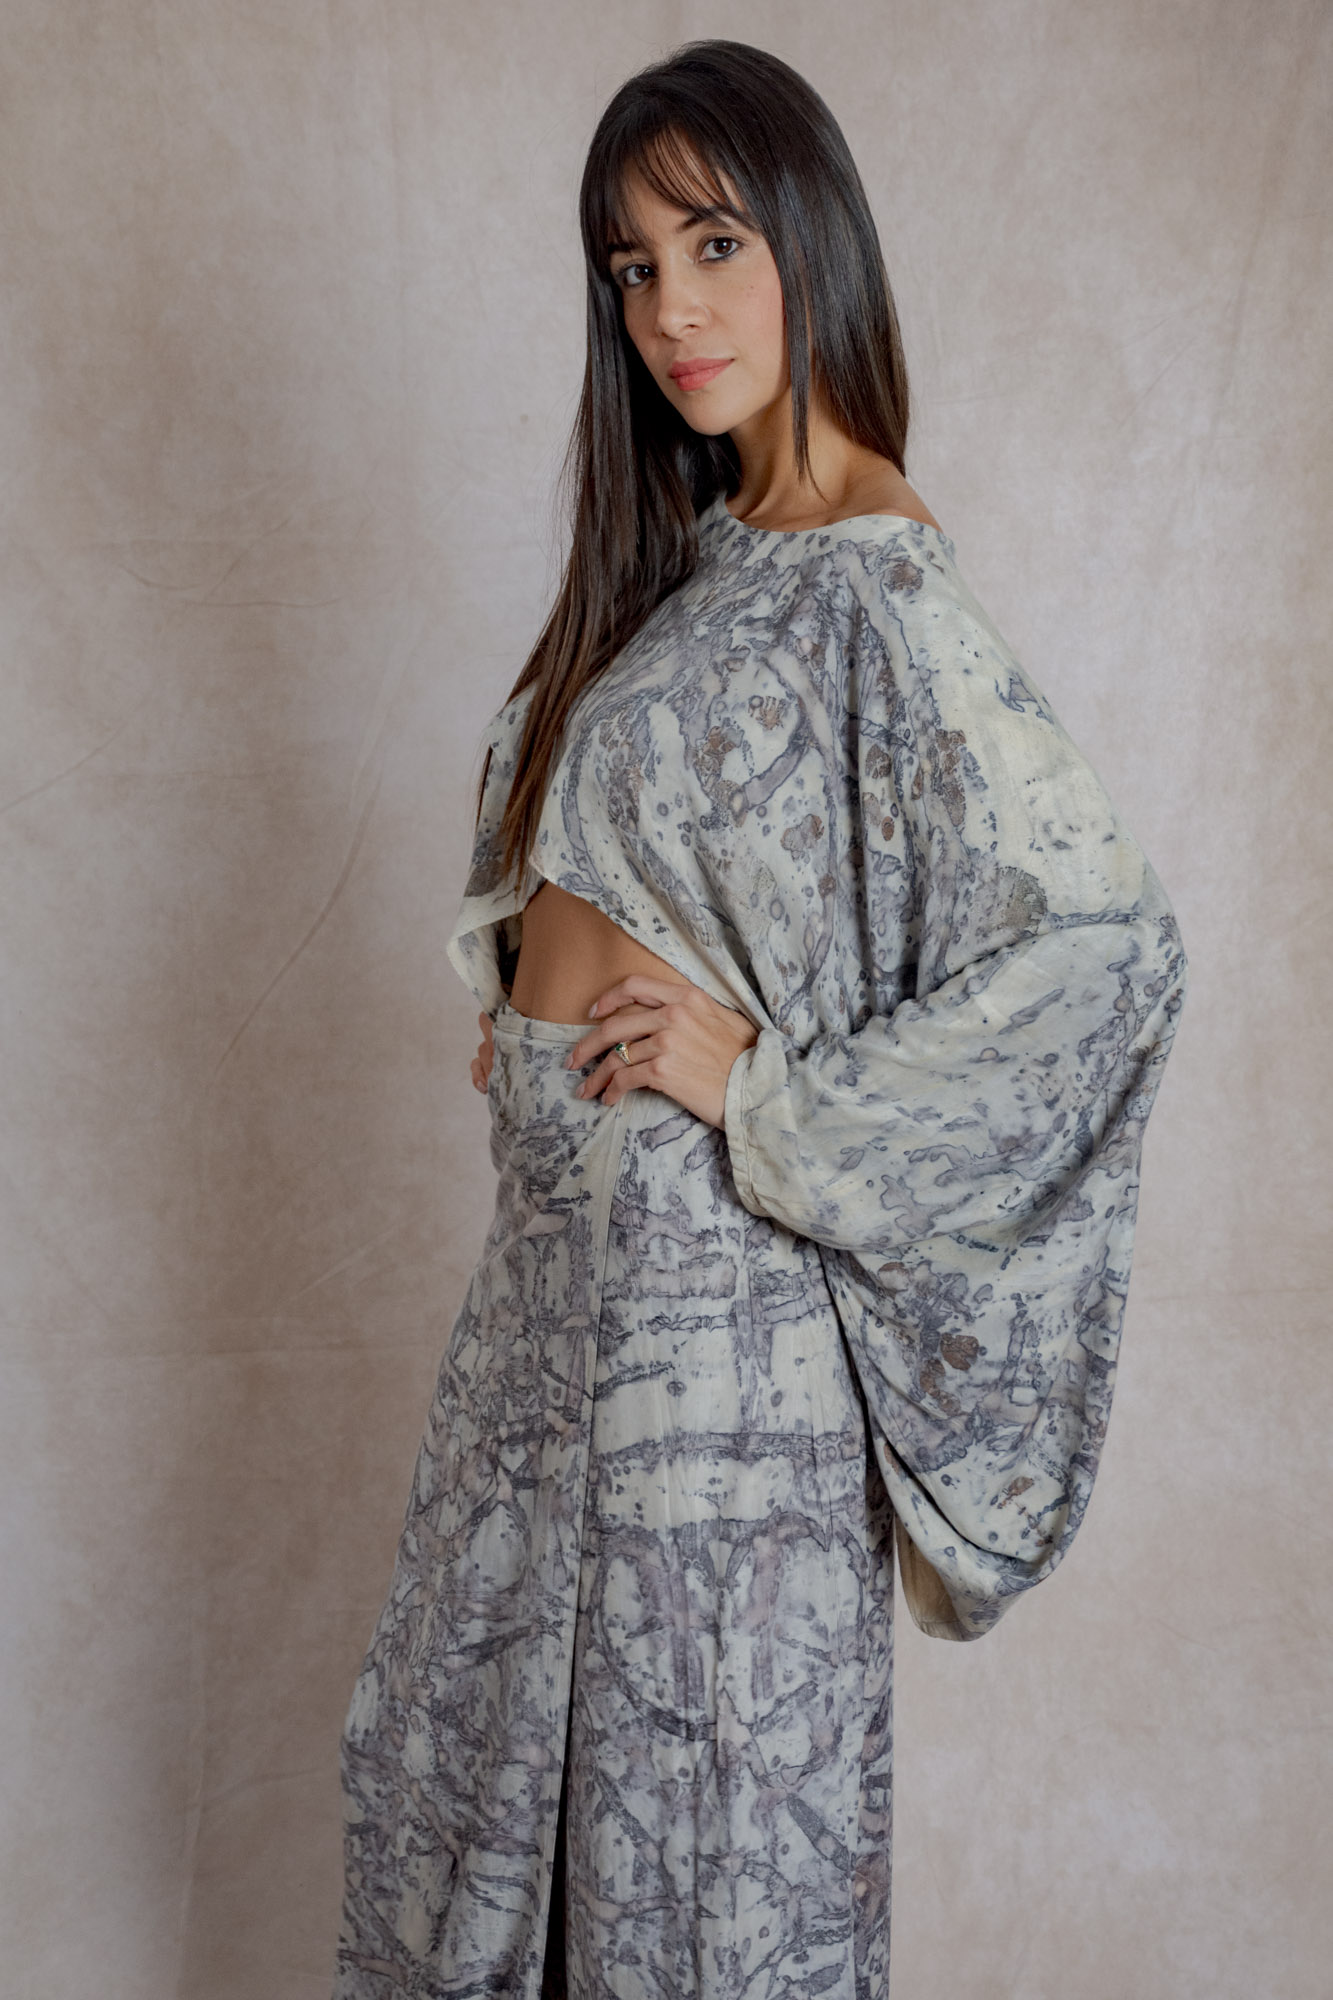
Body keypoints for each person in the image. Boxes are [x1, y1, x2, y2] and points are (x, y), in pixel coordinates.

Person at [330, 38, 1189, 2000]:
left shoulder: (878, 588)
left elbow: (1103, 957)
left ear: (814, 241)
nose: (671, 310)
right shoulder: (697, 564)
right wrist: (521, 1005)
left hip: (716, 1356)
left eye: (713, 242)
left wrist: (768, 1092)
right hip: (552, 1312)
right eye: (631, 267)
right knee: (471, 1825)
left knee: (690, 1883)